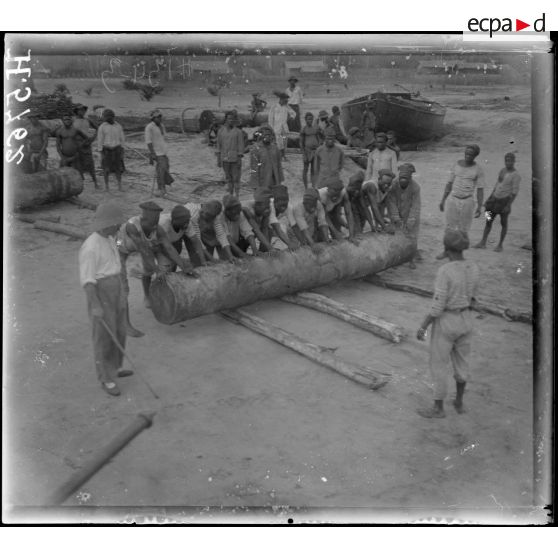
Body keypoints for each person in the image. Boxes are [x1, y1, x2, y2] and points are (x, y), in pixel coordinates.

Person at [416, 229, 480, 419]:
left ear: (447, 249)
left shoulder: (445, 271)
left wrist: (423, 326)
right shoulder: (473, 267)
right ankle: (459, 402)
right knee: (462, 363)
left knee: (439, 364)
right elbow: (474, 298)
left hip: (447, 322)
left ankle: (438, 408)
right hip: (466, 319)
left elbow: (437, 306)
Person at [79, 202, 131, 396]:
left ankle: (115, 368)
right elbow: (88, 281)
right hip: (102, 292)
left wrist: (121, 290)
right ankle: (105, 378)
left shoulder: (110, 237)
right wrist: (95, 305)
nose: (119, 226)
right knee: (104, 337)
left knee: (119, 330)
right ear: (107, 223)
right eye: (117, 223)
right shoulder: (90, 247)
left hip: (115, 287)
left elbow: (116, 262)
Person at [117, 201, 192, 337]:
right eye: (152, 223)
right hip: (119, 250)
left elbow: (169, 247)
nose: (154, 226)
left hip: (142, 248)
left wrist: (182, 265)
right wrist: (157, 269)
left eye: (156, 222)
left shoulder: (157, 228)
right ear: (143, 218)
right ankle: (125, 325)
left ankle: (148, 298)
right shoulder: (132, 226)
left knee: (149, 269)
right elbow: (144, 249)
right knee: (123, 287)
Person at [437, 144, 485, 259]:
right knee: (449, 228)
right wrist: (443, 200)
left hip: (468, 201)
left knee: (463, 230)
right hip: (453, 199)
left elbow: (480, 189)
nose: (468, 156)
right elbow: (449, 183)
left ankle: (459, 254)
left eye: (471, 154)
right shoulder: (456, 165)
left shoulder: (478, 169)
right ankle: (446, 251)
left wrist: (479, 207)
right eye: (466, 153)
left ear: (475, 156)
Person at [474, 153, 520, 252]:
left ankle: (500, 245)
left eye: (510, 160)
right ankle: (483, 242)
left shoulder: (516, 175)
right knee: (488, 220)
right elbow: (496, 185)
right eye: (506, 160)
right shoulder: (502, 170)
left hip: (504, 202)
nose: (508, 162)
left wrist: (508, 205)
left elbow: (514, 192)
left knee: (504, 223)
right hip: (494, 200)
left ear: (514, 161)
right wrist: (489, 198)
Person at [387, 165, 422, 268]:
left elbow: (416, 205)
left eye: (405, 178)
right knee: (396, 236)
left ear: (410, 178)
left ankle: (410, 259)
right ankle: (395, 259)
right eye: (401, 178)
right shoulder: (393, 185)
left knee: (412, 236)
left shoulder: (415, 187)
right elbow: (391, 202)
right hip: (397, 212)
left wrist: (411, 220)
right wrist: (396, 217)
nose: (402, 180)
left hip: (410, 214)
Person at [288, 187, 330, 252]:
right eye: (310, 207)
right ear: (304, 203)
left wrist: (327, 239)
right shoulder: (298, 208)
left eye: (314, 206)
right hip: (295, 231)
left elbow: (323, 222)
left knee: (309, 248)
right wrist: (313, 244)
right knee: (297, 250)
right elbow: (303, 229)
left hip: (309, 228)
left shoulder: (318, 204)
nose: (312, 209)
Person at [318, 176, 356, 241]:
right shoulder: (321, 195)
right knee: (321, 237)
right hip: (317, 214)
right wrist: (335, 232)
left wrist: (351, 234)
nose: (328, 190)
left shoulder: (343, 193)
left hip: (331, 210)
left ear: (338, 192)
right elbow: (325, 217)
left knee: (337, 235)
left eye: (330, 191)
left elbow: (348, 213)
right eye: (328, 189)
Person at [145, 109, 174, 196]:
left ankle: (162, 187)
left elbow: (163, 138)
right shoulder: (149, 127)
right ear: (153, 118)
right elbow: (148, 141)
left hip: (163, 152)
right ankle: (161, 189)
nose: (160, 119)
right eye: (158, 117)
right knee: (161, 171)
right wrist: (152, 153)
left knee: (166, 169)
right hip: (157, 153)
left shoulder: (161, 126)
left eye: (160, 117)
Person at [216, 111, 245, 196]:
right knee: (228, 178)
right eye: (229, 119)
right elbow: (218, 145)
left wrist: (239, 158)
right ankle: (230, 194)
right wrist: (218, 159)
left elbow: (240, 146)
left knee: (236, 178)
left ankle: (237, 195)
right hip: (224, 158)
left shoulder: (238, 132)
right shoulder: (221, 131)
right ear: (226, 119)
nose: (231, 120)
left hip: (235, 159)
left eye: (233, 119)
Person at [97, 109, 125, 191]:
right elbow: (100, 141)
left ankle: (120, 186)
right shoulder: (102, 127)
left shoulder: (118, 126)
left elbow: (122, 139)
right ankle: (107, 187)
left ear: (112, 117)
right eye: (104, 116)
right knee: (106, 169)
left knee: (118, 169)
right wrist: (101, 153)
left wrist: (122, 151)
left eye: (106, 116)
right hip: (107, 150)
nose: (105, 118)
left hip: (117, 150)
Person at [72, 103, 99, 189]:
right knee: (78, 164)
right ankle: (80, 183)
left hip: (86, 144)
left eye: (83, 110)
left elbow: (98, 128)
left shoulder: (88, 120)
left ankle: (95, 183)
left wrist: (92, 138)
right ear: (77, 111)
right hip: (76, 145)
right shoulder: (73, 120)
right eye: (80, 110)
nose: (82, 111)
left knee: (90, 163)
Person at [249, 126, 284, 191]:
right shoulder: (256, 149)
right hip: (262, 181)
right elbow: (254, 168)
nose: (267, 137)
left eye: (269, 135)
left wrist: (280, 180)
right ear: (261, 136)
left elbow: (279, 165)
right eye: (265, 135)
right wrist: (255, 185)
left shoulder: (275, 149)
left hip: (274, 180)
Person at [268, 185, 298, 250]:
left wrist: (302, 241)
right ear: (274, 202)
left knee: (285, 230)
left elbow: (294, 226)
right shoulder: (270, 206)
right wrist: (290, 244)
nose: (283, 208)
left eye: (285, 205)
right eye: (280, 206)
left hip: (270, 225)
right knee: (271, 231)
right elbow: (277, 229)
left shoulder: (288, 206)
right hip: (254, 225)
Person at [268, 92, 295, 159]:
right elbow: (270, 118)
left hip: (284, 127)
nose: (286, 101)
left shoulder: (286, 106)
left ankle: (283, 155)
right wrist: (271, 127)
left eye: (287, 100)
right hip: (276, 127)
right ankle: (278, 155)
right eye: (285, 100)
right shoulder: (274, 107)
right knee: (278, 141)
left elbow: (293, 113)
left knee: (284, 141)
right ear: (281, 99)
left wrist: (292, 117)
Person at [300, 112, 322, 188]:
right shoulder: (304, 129)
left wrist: (319, 145)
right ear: (305, 120)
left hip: (315, 151)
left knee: (313, 170)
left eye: (311, 119)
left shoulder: (315, 128)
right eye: (309, 119)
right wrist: (303, 154)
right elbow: (301, 143)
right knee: (305, 169)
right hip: (307, 151)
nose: (310, 120)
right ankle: (306, 187)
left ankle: (313, 186)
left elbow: (318, 138)